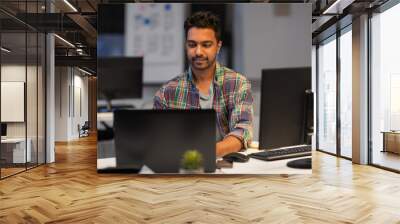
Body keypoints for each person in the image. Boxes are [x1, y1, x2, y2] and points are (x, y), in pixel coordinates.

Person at [153, 11, 253, 157]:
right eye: (192, 45)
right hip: (182, 169)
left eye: (206, 45)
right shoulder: (166, 93)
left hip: (225, 166)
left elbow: (242, 132)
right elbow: (157, 141)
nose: (198, 52)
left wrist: (204, 154)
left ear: (218, 46)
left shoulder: (237, 83)